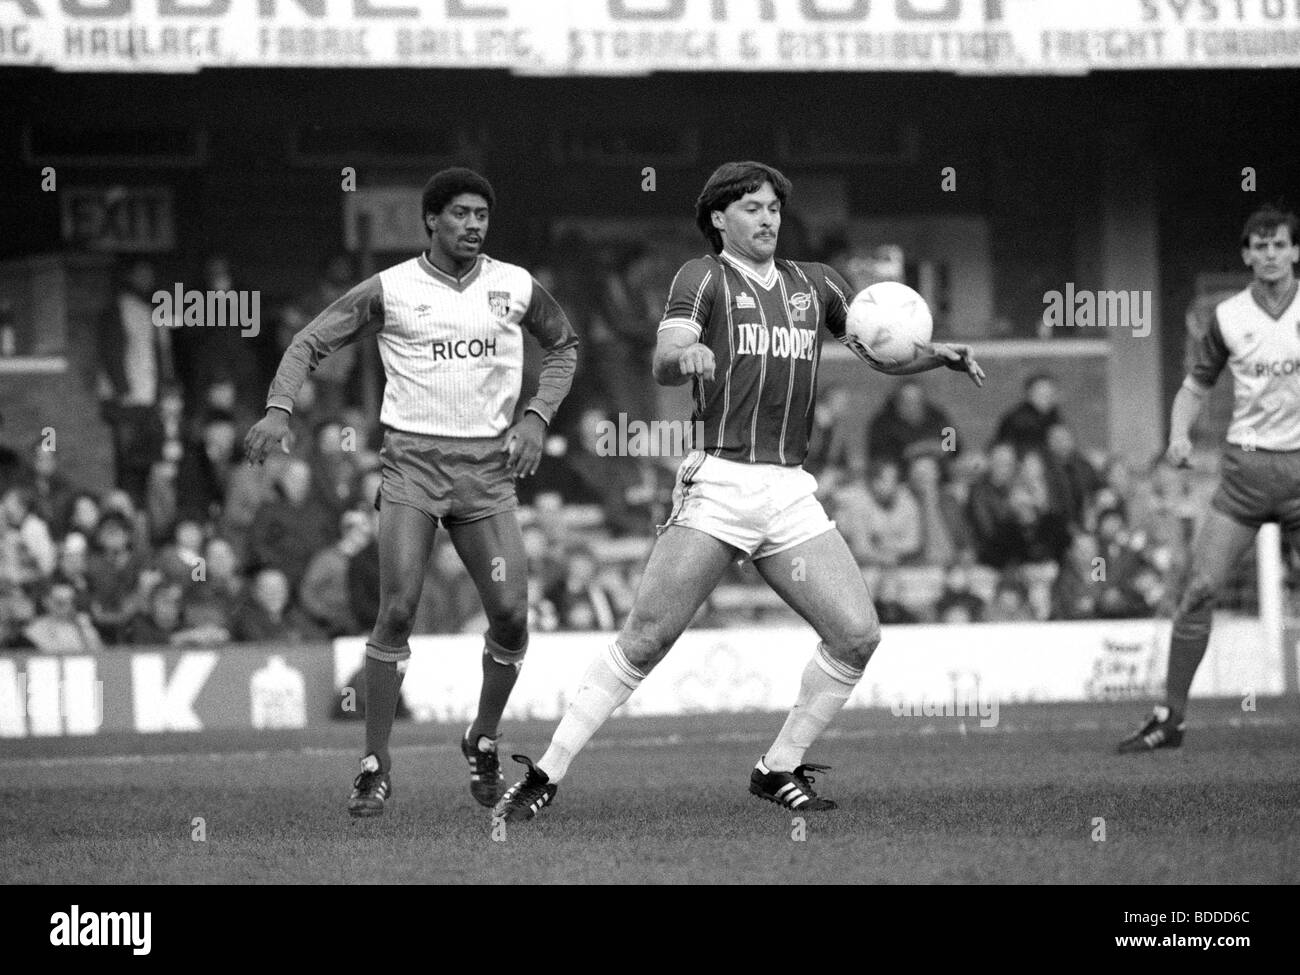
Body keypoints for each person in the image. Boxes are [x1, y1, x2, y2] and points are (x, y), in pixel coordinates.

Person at [494, 160, 983, 821]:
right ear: (720, 218)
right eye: (752, 206)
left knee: (858, 635)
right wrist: (685, 357)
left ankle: (777, 764)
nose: (769, 217)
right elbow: (666, 354)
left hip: (788, 490)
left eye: (774, 206)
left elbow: (876, 348)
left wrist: (938, 352)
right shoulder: (703, 277)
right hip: (719, 481)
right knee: (645, 638)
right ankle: (546, 772)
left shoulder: (816, 286)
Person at [244, 167, 579, 816]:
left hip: (486, 475)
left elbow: (563, 345)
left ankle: (482, 734)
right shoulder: (392, 290)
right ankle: (374, 762)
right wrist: (280, 408)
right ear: (431, 221)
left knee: (511, 614)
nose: (473, 224)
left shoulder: (514, 286)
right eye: (460, 213)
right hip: (412, 471)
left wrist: (537, 415)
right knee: (396, 607)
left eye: (482, 214)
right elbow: (311, 339)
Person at [1119, 205, 1300, 753]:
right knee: (1197, 591)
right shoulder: (1227, 317)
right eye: (1259, 246)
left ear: (1294, 251)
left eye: (1279, 245)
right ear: (1246, 255)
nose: (1269, 254)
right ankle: (1170, 719)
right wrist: (1178, 434)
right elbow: (1196, 386)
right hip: (1244, 474)